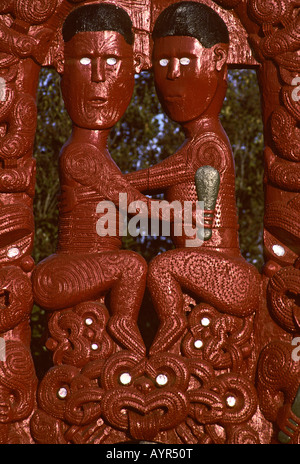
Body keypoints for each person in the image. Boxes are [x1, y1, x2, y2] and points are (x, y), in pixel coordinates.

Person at [32, 3, 173, 357]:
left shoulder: (97, 155)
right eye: (84, 61)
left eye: (111, 62)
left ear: (133, 67)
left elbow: (126, 188)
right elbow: (135, 205)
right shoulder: (82, 154)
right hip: (61, 277)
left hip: (80, 273)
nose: (98, 77)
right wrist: (189, 216)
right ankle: (123, 327)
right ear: (61, 65)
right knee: (132, 264)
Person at [125, 2, 261, 354]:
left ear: (218, 58)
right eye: (162, 62)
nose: (171, 74)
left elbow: (154, 184)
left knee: (160, 267)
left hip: (228, 275)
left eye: (185, 60)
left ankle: (170, 328)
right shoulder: (198, 145)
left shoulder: (207, 148)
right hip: (207, 272)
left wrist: (111, 187)